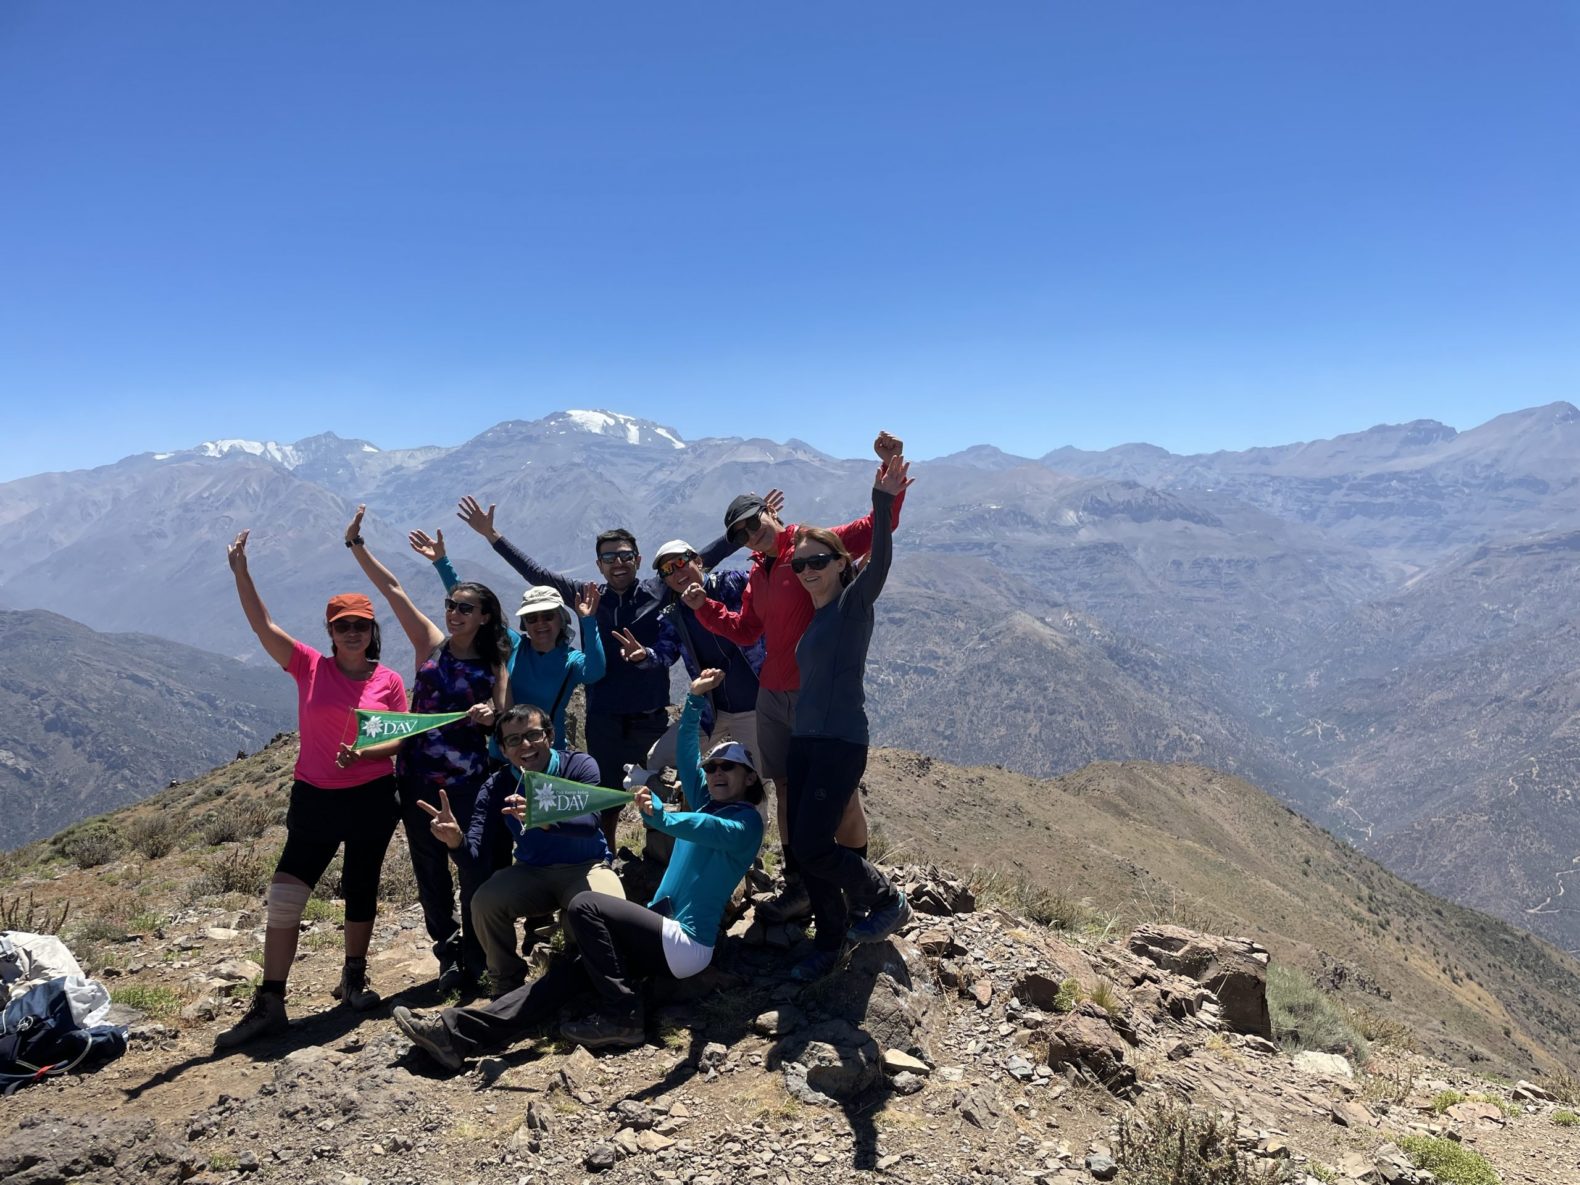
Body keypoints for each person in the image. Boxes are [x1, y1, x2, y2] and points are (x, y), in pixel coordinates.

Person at [392, 668, 764, 1067]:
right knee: (561, 979)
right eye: (713, 769)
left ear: (749, 778)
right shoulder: (706, 799)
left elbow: (707, 828)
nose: (717, 773)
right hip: (657, 930)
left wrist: (661, 817)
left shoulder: (745, 823)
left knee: (586, 905)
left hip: (686, 943)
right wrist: (693, 699)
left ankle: (623, 1015)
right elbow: (689, 750)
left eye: (729, 768)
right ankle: (456, 1034)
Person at [453, 494, 757, 850]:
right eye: (609, 557)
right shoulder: (587, 595)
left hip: (650, 717)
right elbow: (536, 573)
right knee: (605, 796)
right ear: (599, 564)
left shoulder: (657, 589)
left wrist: (746, 527)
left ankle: (660, 858)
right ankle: (605, 854)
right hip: (604, 720)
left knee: (656, 792)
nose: (618, 563)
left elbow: (701, 558)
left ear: (638, 560)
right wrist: (494, 536)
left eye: (626, 556)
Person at [687, 431, 906, 922]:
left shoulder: (812, 548)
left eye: (753, 523)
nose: (750, 535)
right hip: (772, 696)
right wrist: (705, 609)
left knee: (841, 795)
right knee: (785, 788)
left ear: (771, 512)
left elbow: (879, 528)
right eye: (740, 534)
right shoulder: (759, 572)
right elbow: (746, 630)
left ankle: (858, 884)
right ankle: (801, 884)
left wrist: (892, 483)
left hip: (815, 698)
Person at [216, 528, 408, 1049]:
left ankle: (353, 979)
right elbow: (263, 625)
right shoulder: (308, 665)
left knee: (361, 885)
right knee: (285, 896)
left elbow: (399, 741)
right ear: (330, 630)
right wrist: (241, 572)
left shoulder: (388, 681)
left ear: (372, 630)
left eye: (361, 626)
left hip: (371, 796)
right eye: (343, 625)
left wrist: (364, 753)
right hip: (317, 797)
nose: (352, 633)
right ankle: (272, 1001)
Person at [344, 506, 510, 991]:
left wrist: (490, 716)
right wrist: (357, 546)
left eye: (463, 608)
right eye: (450, 605)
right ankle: (449, 955)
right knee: (430, 872)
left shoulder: (496, 663)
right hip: (415, 777)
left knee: (473, 865)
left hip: (466, 784)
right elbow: (392, 591)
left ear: (483, 617)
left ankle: (480, 951)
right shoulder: (430, 645)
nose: (452, 613)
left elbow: (505, 715)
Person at [784, 453, 915, 980]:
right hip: (805, 742)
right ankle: (830, 940)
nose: (809, 570)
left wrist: (882, 502)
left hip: (840, 741)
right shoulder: (814, 618)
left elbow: (879, 562)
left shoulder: (853, 605)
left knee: (817, 843)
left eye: (819, 561)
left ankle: (886, 900)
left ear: (840, 562)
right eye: (801, 565)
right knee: (803, 849)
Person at [415, 703, 623, 998]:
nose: (525, 745)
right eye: (513, 739)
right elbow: (475, 856)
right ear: (501, 748)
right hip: (533, 872)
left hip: (585, 866)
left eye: (533, 735)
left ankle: (585, 977)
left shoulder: (578, 766)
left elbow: (590, 823)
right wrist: (456, 841)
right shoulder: (497, 786)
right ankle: (506, 985)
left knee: (604, 908)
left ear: (549, 736)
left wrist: (543, 817)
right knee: (485, 902)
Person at [408, 527, 605, 747]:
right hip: (502, 753)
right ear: (524, 624)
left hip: (545, 756)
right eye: (532, 618)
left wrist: (588, 620)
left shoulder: (571, 661)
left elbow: (595, 671)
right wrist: (441, 562)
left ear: (561, 620)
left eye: (547, 616)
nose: (540, 623)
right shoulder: (513, 644)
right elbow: (472, 604)